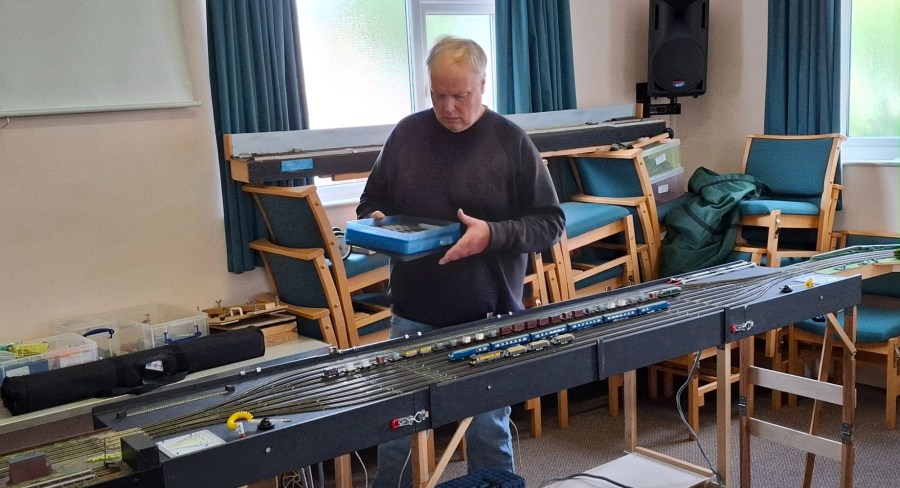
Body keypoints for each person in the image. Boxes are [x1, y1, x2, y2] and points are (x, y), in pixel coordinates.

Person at [357, 36, 565, 487]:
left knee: (487, 431)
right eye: (438, 95)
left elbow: (550, 223)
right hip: (412, 311)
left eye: (460, 95)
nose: (448, 107)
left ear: (482, 85)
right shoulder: (406, 134)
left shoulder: (510, 140)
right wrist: (377, 221)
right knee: (397, 434)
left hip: (486, 317)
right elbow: (371, 200)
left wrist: (492, 234)